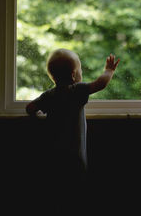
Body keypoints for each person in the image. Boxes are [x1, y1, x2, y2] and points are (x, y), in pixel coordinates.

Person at [26, 48, 119, 211]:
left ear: (52, 76)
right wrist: (109, 70)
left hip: (54, 156)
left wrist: (39, 118)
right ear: (74, 74)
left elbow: (30, 108)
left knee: (57, 196)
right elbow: (100, 84)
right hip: (75, 159)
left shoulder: (49, 95)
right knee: (76, 197)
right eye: (80, 69)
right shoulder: (77, 91)